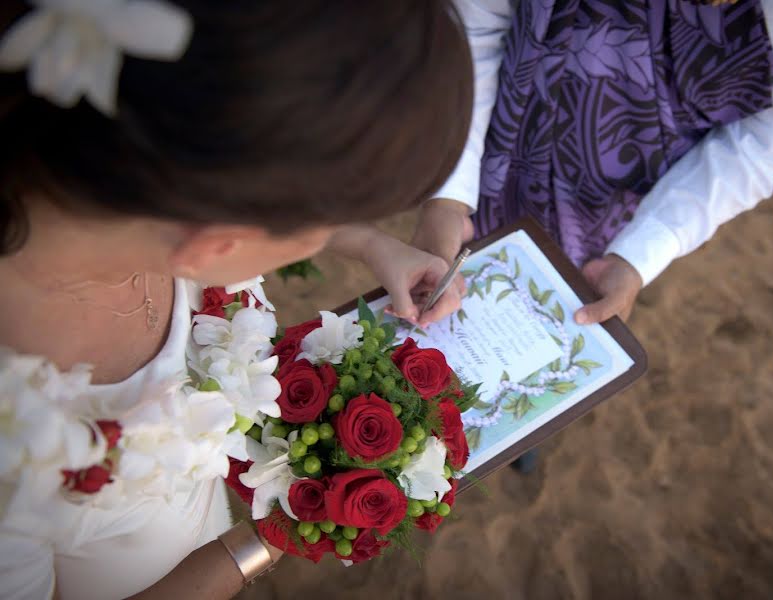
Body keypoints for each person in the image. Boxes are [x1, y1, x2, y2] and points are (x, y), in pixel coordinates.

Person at [0, 1, 472, 598]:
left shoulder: (118, 158)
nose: (333, 231)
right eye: (317, 224)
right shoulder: (12, 439)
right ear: (217, 242)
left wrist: (375, 246)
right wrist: (268, 539)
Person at [414, 0, 773, 326]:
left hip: (617, 206)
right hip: (489, 141)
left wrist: (640, 252)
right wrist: (449, 190)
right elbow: (476, 25)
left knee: (557, 322)